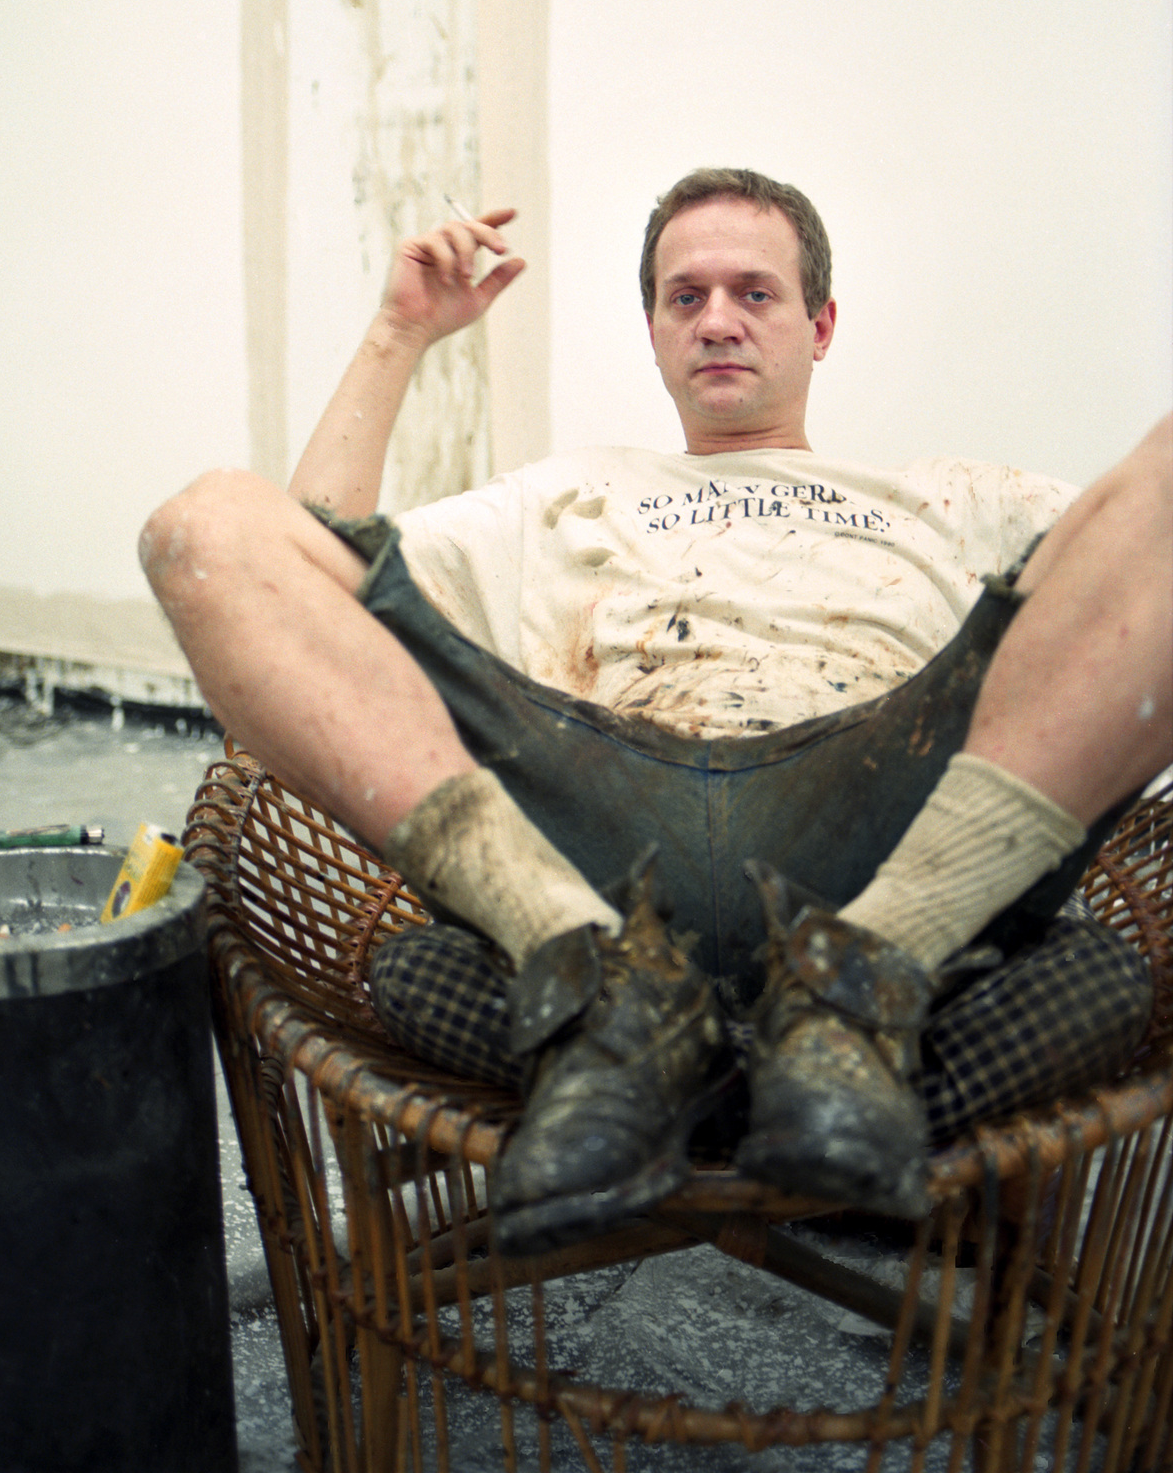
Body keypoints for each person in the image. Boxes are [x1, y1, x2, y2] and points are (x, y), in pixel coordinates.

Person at [140, 167, 1171, 1255]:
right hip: (601, 831)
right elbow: (305, 578)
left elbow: (1126, 585)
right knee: (204, 530)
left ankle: (784, 1010)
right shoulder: (559, 494)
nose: (717, 320)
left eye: (754, 293)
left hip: (877, 820)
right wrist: (399, 335)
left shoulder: (949, 498)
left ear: (820, 326)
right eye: (685, 297)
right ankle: (672, 1013)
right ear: (653, 332)